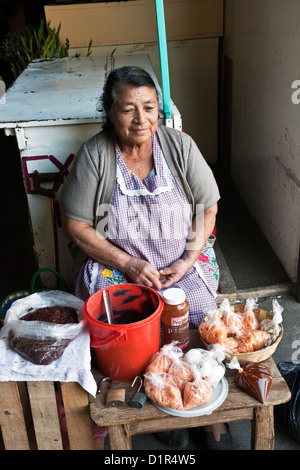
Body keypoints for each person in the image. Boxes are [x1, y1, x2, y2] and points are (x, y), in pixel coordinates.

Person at [60, 65, 231, 449]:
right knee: (127, 327)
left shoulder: (178, 146)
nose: (141, 119)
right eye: (128, 109)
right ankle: (157, 403)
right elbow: (76, 225)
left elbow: (209, 208)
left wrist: (187, 260)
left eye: (150, 107)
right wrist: (129, 265)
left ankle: (201, 406)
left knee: (200, 314)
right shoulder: (95, 155)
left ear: (159, 110)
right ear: (109, 111)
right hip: (118, 267)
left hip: (178, 264)